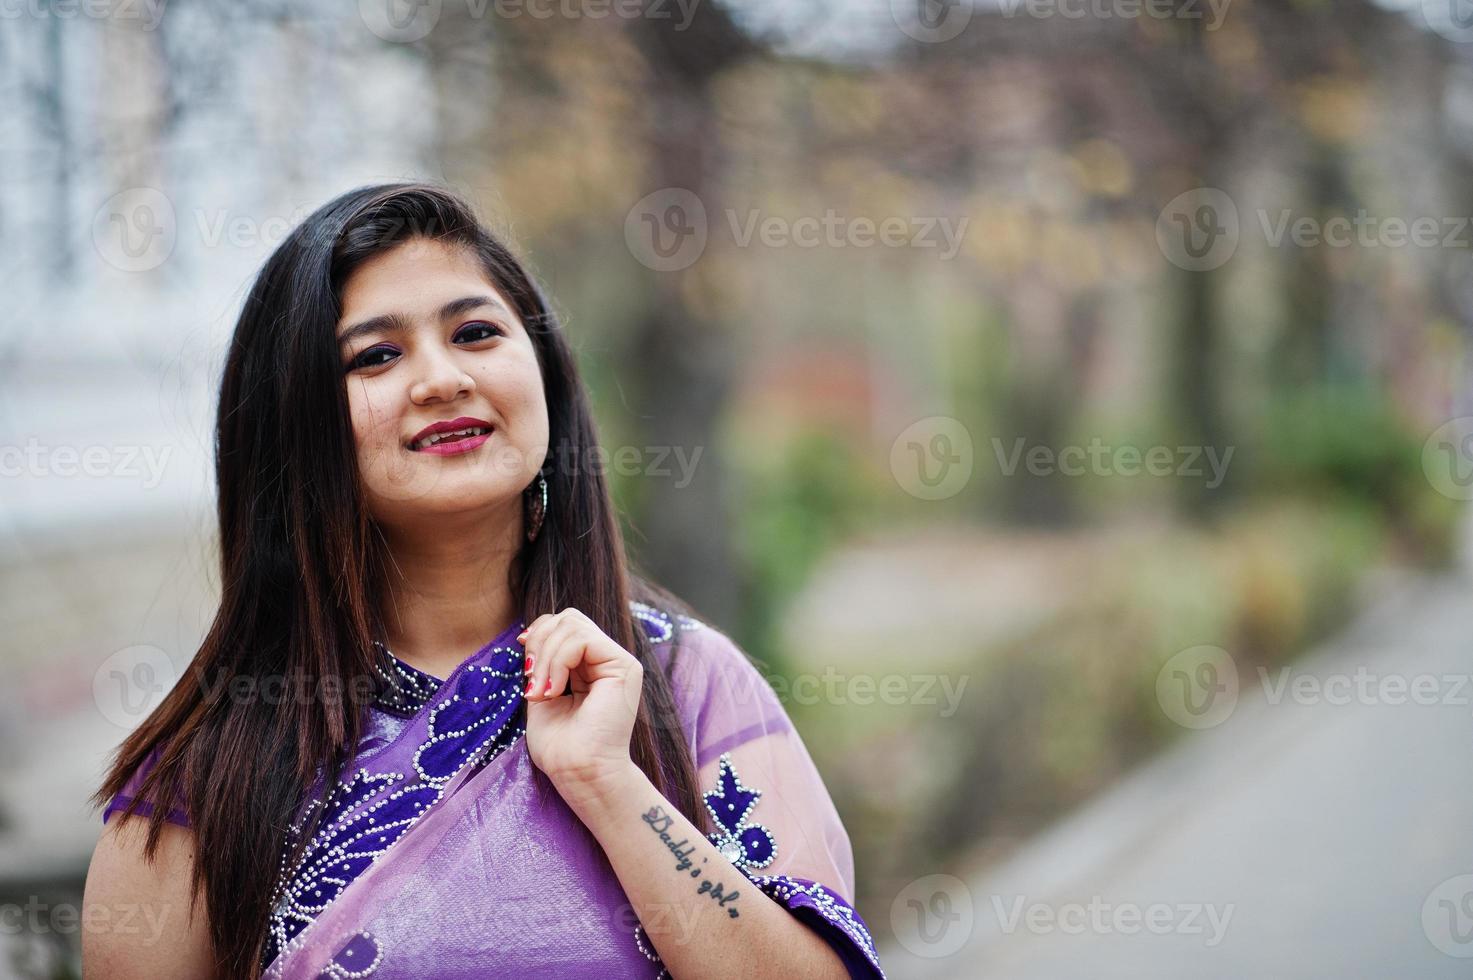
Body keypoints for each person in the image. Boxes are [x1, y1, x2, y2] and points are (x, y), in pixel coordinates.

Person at [81, 183, 886, 979]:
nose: (441, 379)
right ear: (295, 430)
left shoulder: (686, 685)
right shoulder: (209, 772)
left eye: (473, 332)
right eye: (376, 356)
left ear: (546, 377)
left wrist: (606, 780)